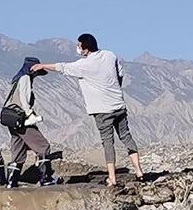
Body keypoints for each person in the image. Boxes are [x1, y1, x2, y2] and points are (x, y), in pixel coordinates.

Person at [32, 34, 143, 187]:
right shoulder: (110, 55)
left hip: (102, 109)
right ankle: (139, 170)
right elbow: (120, 74)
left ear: (85, 49)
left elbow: (62, 67)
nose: (77, 48)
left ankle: (112, 177)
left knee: (108, 142)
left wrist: (43, 65)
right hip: (118, 104)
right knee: (126, 136)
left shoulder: (84, 65)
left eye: (79, 45)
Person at [4, 57, 59, 188]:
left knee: (18, 150)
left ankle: (11, 182)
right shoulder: (25, 78)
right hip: (22, 120)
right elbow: (24, 99)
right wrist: (30, 114)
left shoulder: (16, 79)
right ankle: (45, 178)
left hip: (12, 120)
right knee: (43, 146)